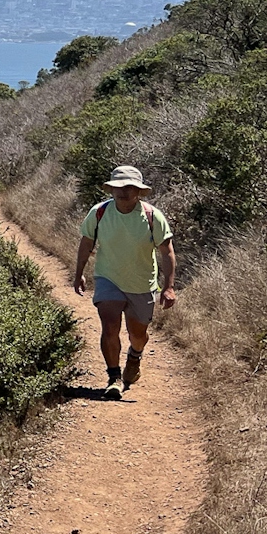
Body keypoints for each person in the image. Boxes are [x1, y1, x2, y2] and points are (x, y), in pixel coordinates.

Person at [73, 164, 176, 400]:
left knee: (137, 333)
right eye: (118, 187)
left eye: (129, 187)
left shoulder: (152, 216)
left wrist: (168, 287)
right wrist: (79, 272)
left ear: (138, 191)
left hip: (142, 283)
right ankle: (113, 377)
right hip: (108, 278)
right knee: (110, 325)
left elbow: (167, 252)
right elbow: (86, 243)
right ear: (111, 189)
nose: (123, 192)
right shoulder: (99, 213)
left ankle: (135, 355)